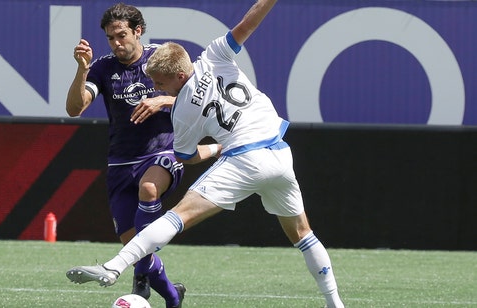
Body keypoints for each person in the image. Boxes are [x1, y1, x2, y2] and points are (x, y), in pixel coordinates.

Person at [66, 0, 344, 307]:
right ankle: (335, 303)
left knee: (176, 217)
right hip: (279, 152)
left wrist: (213, 148)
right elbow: (248, 23)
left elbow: (185, 156)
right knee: (304, 235)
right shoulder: (214, 55)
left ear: (179, 77)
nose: (158, 89)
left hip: (243, 158)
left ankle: (113, 267)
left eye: (160, 84)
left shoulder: (182, 111)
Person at [65, 3, 185, 308]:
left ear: (138, 31)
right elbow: (75, 109)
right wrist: (82, 69)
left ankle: (137, 274)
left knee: (148, 188)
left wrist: (163, 101)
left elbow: (195, 94)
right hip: (120, 162)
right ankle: (173, 298)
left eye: (122, 35)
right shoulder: (103, 68)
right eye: (110, 38)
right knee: (135, 246)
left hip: (163, 152)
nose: (117, 43)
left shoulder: (161, 57)